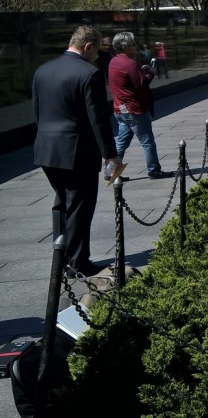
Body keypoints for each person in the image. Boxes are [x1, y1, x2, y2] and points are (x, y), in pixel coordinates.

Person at [33, 26, 119, 277]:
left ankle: (61, 255)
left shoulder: (42, 70)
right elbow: (98, 119)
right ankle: (78, 262)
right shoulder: (89, 73)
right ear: (87, 47)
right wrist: (110, 154)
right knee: (80, 206)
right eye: (97, 51)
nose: (98, 57)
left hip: (47, 149)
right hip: (77, 150)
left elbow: (39, 113)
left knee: (62, 203)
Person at [110, 31, 172, 180]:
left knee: (121, 142)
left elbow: (129, 81)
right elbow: (141, 85)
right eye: (133, 45)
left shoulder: (114, 61)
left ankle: (111, 172)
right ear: (125, 47)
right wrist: (150, 73)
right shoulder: (130, 64)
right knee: (147, 141)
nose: (136, 48)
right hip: (134, 110)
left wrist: (140, 71)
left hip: (120, 109)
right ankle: (154, 170)